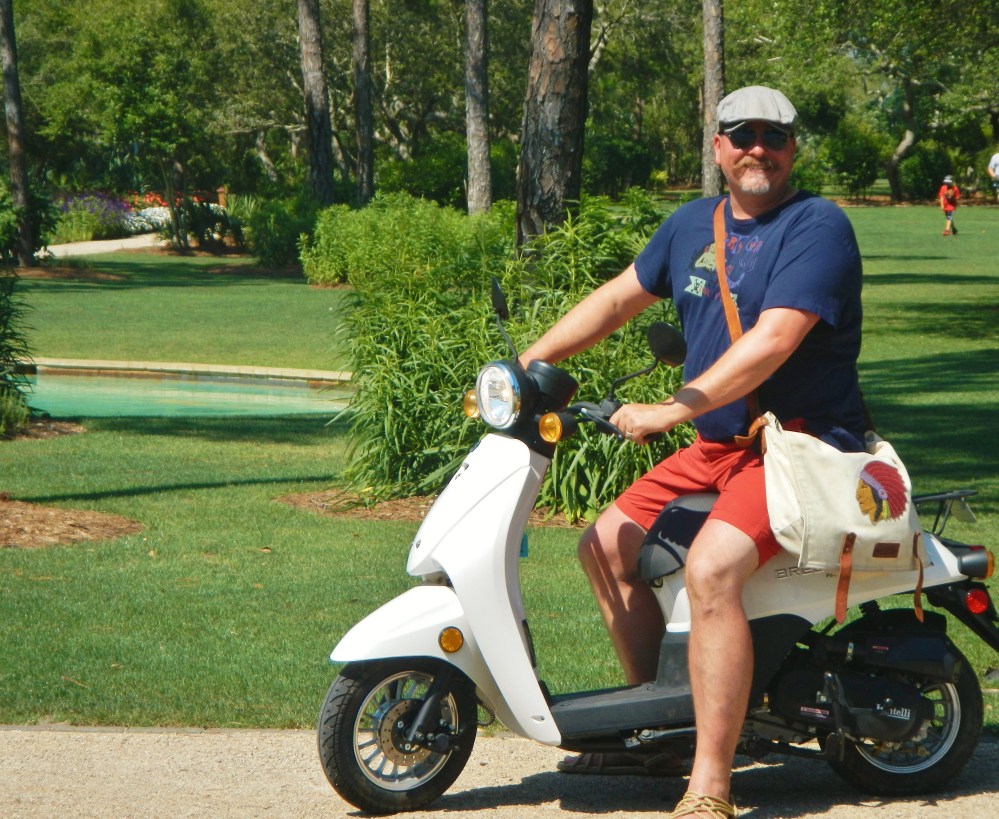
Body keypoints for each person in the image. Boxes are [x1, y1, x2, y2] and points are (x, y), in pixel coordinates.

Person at [520, 85, 867, 819]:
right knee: (604, 545)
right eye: (741, 134)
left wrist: (670, 408)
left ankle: (710, 781)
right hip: (716, 444)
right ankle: (662, 729)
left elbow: (772, 341)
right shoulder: (690, 225)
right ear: (715, 146)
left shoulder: (817, 227)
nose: (757, 149)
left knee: (711, 570)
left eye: (773, 136)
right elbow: (617, 300)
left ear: (791, 148)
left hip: (794, 444)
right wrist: (526, 365)